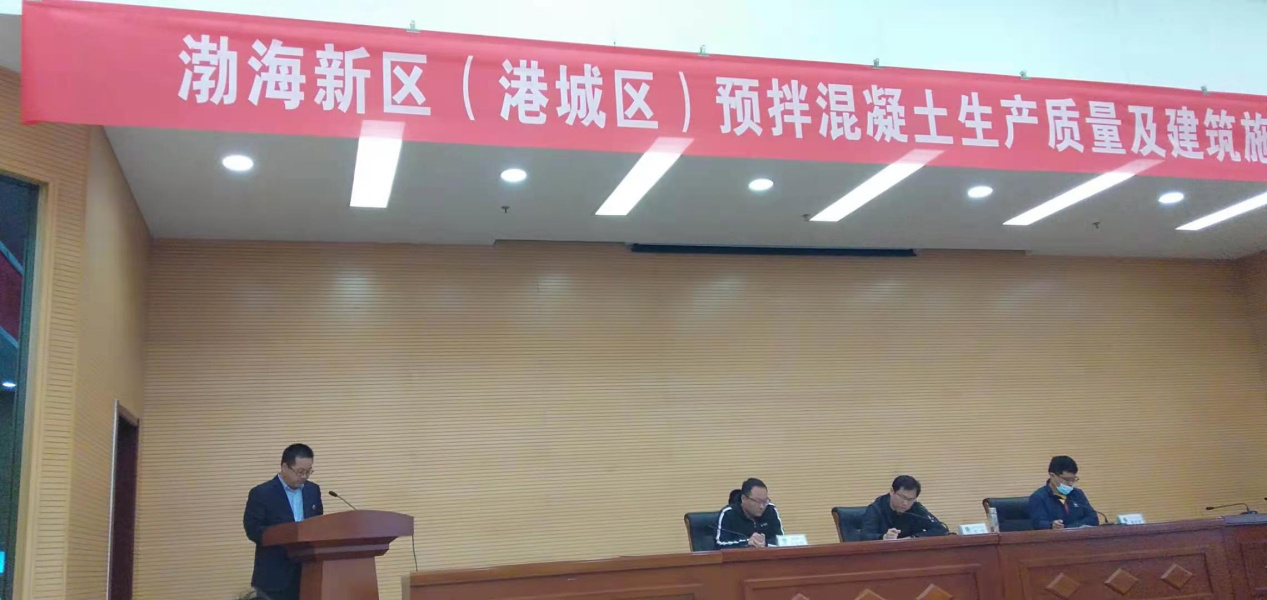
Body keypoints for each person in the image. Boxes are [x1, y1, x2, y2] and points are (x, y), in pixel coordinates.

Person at [243, 444, 324, 600]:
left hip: (307, 573)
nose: (305, 477)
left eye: (309, 472)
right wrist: (287, 535)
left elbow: (317, 523)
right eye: (300, 472)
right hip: (274, 575)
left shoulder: (313, 490)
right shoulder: (261, 493)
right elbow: (253, 530)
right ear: (285, 467)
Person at [860, 475, 949, 540]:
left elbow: (940, 529)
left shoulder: (916, 508)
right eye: (902, 497)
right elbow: (864, 536)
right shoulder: (876, 508)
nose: (905, 503)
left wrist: (912, 538)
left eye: (910, 499)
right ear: (892, 491)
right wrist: (884, 537)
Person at [1029, 455, 1098, 530]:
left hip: (1079, 536)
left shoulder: (1077, 494)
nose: (1070, 483)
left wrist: (1068, 528)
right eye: (1066, 479)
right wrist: (1051, 525)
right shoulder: (1038, 497)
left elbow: (1093, 518)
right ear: (1052, 475)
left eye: (1073, 479)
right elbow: (1038, 524)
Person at [715, 478, 784, 548]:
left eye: (765, 501)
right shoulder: (728, 514)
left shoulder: (770, 510)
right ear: (743, 499)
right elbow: (719, 545)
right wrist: (747, 543)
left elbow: (781, 541)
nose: (762, 506)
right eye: (757, 501)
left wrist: (765, 544)